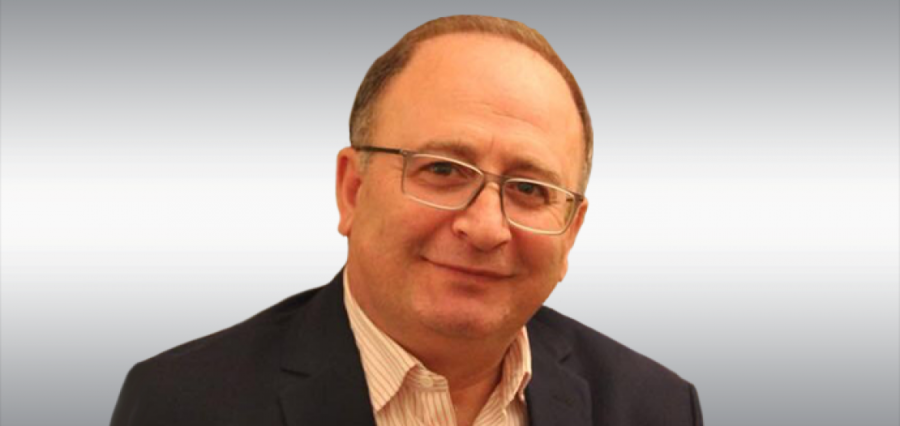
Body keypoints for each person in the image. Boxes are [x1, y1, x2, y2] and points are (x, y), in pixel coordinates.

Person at [111, 15, 703, 426]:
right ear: (352, 190)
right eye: (443, 170)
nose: (486, 228)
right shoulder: (183, 406)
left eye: (529, 189)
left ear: (571, 232)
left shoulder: (656, 410)